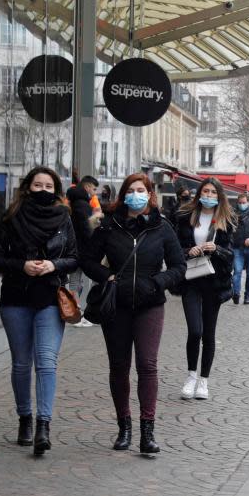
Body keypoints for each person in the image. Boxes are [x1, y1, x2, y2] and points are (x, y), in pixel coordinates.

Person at [81, 173, 185, 453]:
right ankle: (124, 427)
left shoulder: (162, 227)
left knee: (148, 365)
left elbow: (178, 266)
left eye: (141, 190)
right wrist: (107, 276)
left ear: (150, 194)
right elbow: (87, 260)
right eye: (132, 190)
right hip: (117, 304)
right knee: (119, 366)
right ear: (124, 194)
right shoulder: (109, 225)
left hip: (150, 304)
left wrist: (157, 282)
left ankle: (147, 432)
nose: (136, 194)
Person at [0, 167, 77, 456]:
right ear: (27, 187)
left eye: (48, 185)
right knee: (22, 363)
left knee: (47, 361)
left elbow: (75, 257)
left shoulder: (64, 218)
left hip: (50, 297)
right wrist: (21, 265)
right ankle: (25, 418)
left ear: (56, 190)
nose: (43, 190)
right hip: (16, 297)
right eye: (37, 185)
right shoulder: (11, 217)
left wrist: (54, 265)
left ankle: (43, 426)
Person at [174, 178, 236, 401]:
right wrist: (188, 250)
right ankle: (191, 375)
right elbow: (174, 248)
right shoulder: (184, 217)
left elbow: (231, 255)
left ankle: (204, 381)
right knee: (195, 330)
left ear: (219, 196)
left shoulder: (226, 221)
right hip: (191, 279)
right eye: (205, 191)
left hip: (213, 281)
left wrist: (217, 248)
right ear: (199, 193)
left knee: (208, 334)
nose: (208, 195)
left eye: (212, 192)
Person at [66, 175, 100, 328]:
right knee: (79, 280)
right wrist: (94, 242)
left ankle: (77, 312)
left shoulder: (76, 202)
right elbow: (86, 228)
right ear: (87, 187)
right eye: (93, 189)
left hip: (76, 248)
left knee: (76, 280)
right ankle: (77, 314)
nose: (95, 193)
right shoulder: (81, 204)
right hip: (82, 249)